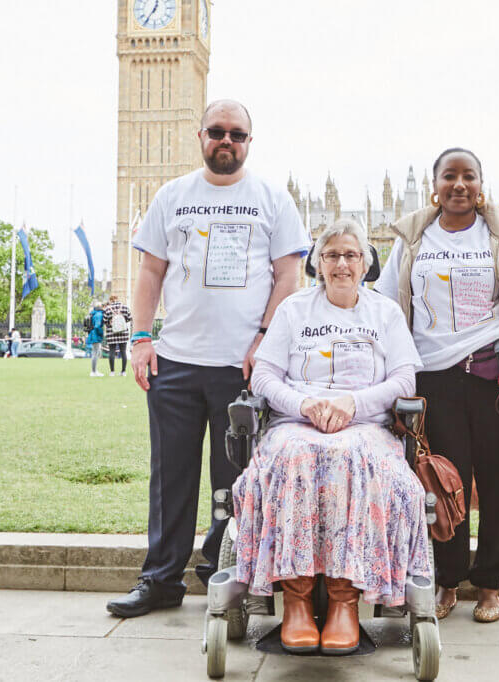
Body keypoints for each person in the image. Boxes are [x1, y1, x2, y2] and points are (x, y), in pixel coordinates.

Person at [106, 99, 310, 618]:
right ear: (200, 137)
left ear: (248, 142)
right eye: (216, 132)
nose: (226, 141)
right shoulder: (173, 195)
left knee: (235, 480)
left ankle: (222, 575)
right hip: (173, 360)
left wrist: (266, 337)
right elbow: (150, 272)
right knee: (170, 477)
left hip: (241, 366)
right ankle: (160, 579)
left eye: (236, 134)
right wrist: (142, 337)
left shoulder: (271, 198)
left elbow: (288, 275)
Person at [376, 147, 499, 624]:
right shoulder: (412, 240)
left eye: (469, 176)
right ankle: (447, 578)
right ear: (435, 186)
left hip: (492, 377)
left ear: (481, 185)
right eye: (449, 176)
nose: (459, 185)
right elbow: (385, 311)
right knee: (442, 482)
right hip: (433, 379)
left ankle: (489, 584)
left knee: (497, 482)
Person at [233, 218, 428, 654]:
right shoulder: (294, 310)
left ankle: (344, 599)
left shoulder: (385, 313)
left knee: (352, 456)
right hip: (296, 422)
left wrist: (351, 404)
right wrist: (304, 405)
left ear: (366, 263)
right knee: (295, 456)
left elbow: (404, 379)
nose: (342, 263)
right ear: (318, 264)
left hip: (364, 425)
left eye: (351, 255)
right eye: (332, 255)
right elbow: (263, 376)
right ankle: (298, 599)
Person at [103, 295, 132, 376]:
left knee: (111, 352)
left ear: (111, 300)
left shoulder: (108, 309)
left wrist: (110, 323)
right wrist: (122, 321)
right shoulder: (124, 307)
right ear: (117, 299)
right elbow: (129, 318)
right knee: (123, 352)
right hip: (123, 333)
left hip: (111, 333)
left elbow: (105, 321)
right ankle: (123, 371)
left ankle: (112, 371)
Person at [86, 302, 105, 377]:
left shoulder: (93, 313)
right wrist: (101, 333)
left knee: (95, 352)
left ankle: (94, 370)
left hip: (92, 334)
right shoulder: (99, 314)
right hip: (96, 335)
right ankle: (94, 371)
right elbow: (97, 326)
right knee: (95, 353)